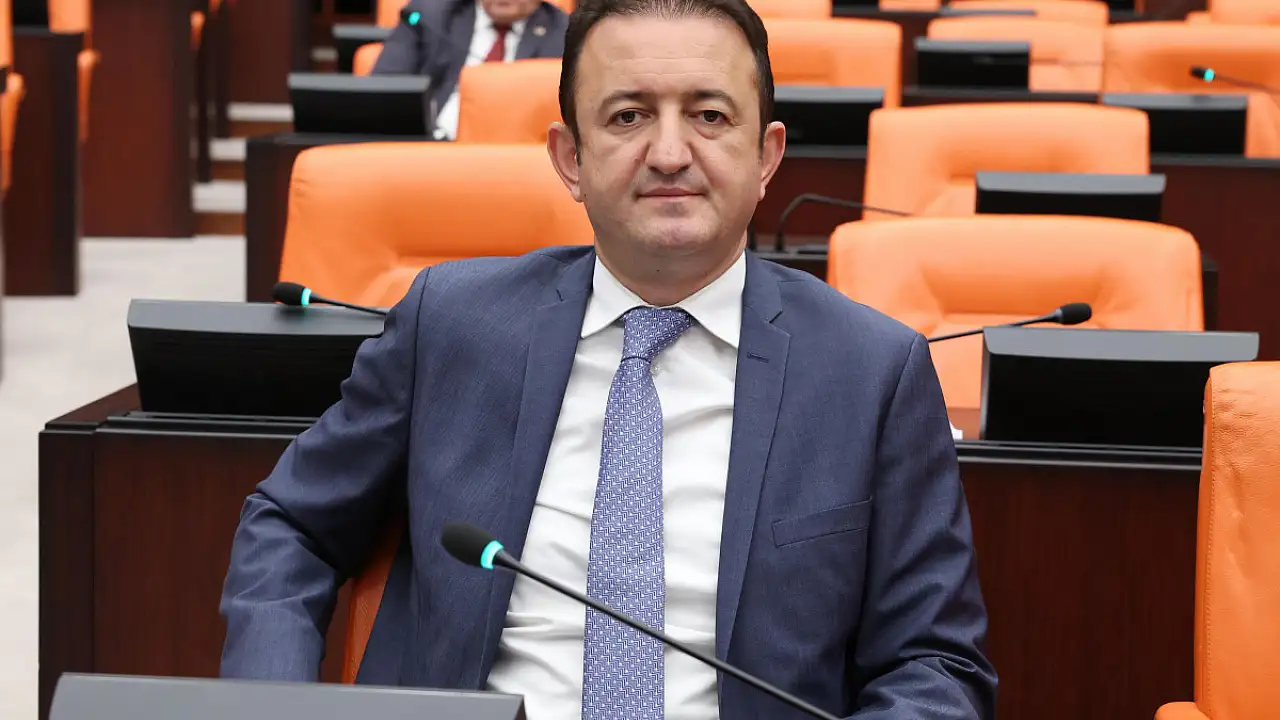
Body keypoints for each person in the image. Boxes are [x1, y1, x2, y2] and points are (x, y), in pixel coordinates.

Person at [220, 0, 998, 718]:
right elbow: (292, 524)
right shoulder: (453, 323)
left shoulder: (871, 371)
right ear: (571, 158)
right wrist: (271, 706)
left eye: (709, 115)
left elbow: (934, 663)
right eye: (628, 116)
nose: (670, 153)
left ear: (766, 156)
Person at [372, 0, 570, 140]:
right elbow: (384, 89)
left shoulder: (564, 34)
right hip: (429, 149)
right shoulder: (429, 16)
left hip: (510, 159)